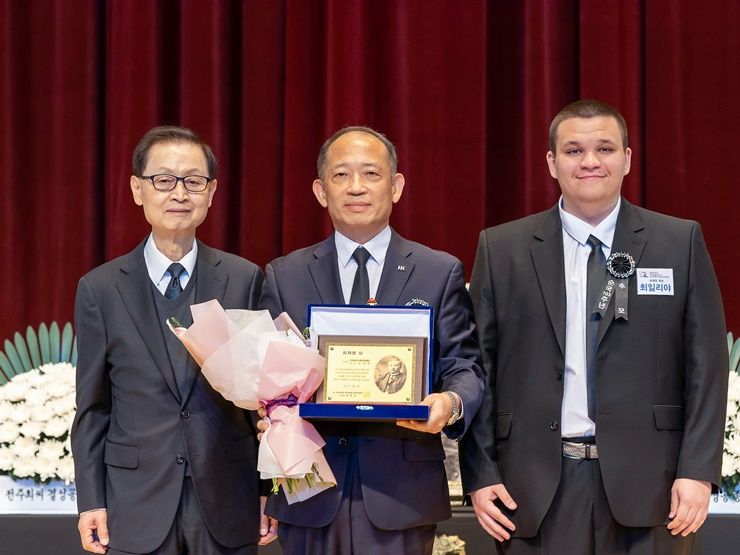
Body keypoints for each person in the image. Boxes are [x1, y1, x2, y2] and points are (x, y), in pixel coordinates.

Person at [459, 99, 729, 554]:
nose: (589, 162)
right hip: (535, 489)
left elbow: (707, 364)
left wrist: (698, 471)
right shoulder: (502, 248)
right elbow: (477, 366)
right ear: (551, 162)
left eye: (604, 148)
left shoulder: (677, 242)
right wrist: (481, 473)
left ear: (626, 159)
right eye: (573, 150)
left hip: (655, 487)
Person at [258, 126, 484, 554]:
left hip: (402, 491)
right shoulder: (284, 275)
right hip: (308, 488)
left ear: (396, 186)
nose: (356, 187)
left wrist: (450, 404)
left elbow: (464, 365)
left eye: (371, 174)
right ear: (320, 190)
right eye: (341, 175)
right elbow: (265, 380)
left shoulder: (439, 271)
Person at [71, 126, 276, 554]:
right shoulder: (101, 289)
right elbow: (92, 407)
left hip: (227, 496)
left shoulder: (244, 279)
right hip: (135, 501)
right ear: (137, 189)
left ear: (212, 192)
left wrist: (267, 489)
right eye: (163, 180)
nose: (179, 193)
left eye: (193, 181)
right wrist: (90, 500)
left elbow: (267, 401)